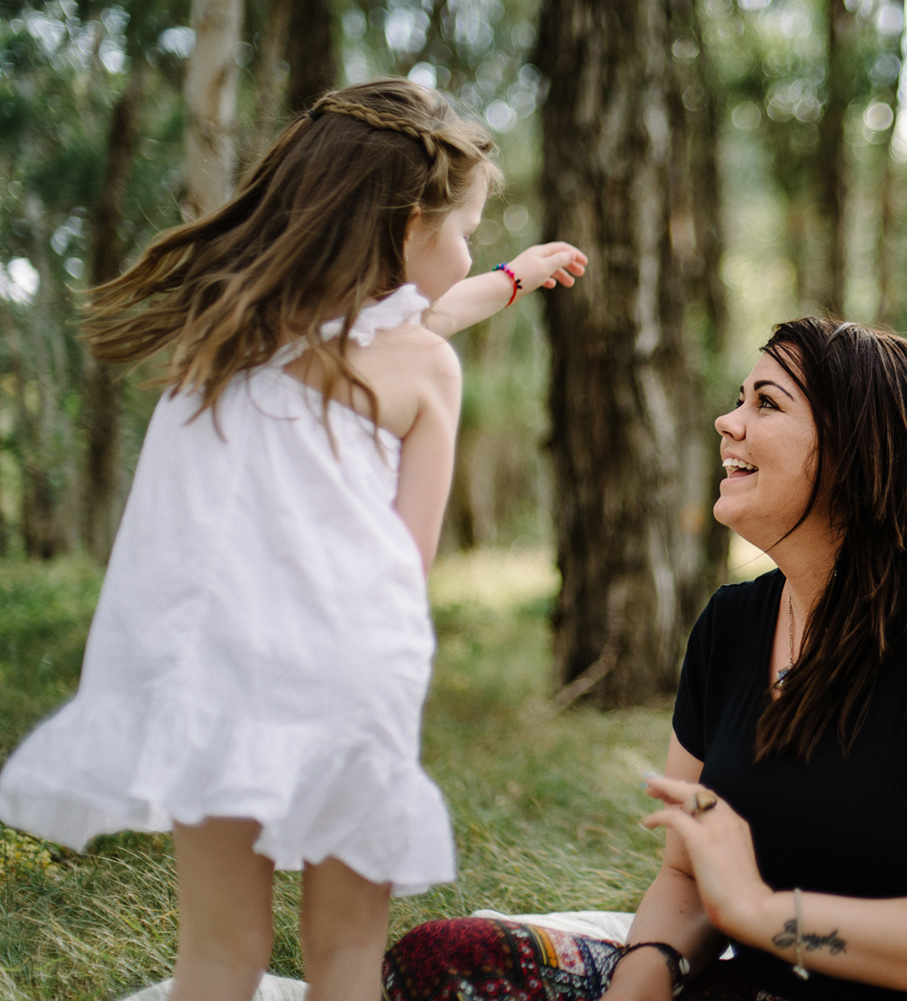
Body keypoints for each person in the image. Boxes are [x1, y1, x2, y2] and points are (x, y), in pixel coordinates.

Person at [0, 78, 587, 1001]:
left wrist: (509, 278)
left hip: (220, 676)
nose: (472, 247)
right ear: (408, 229)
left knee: (219, 957)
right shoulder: (423, 369)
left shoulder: (228, 330)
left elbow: (412, 312)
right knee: (346, 958)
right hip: (348, 685)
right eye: (467, 228)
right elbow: (409, 558)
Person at [382, 318, 907, 1001]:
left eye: (767, 403)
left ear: (859, 449)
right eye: (739, 399)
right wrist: (641, 980)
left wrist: (769, 914)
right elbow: (685, 874)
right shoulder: (732, 626)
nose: (728, 423)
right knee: (445, 961)